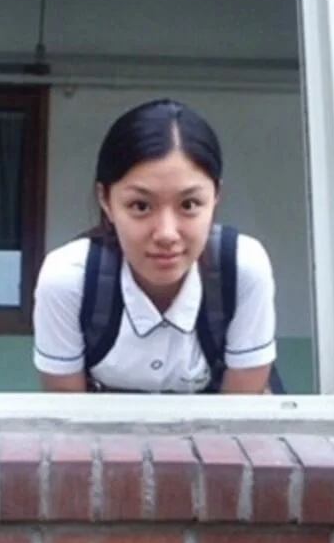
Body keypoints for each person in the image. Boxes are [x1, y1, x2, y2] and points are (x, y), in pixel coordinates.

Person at [32, 98, 279, 394]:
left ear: (215, 196)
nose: (166, 234)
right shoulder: (68, 280)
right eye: (140, 206)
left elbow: (239, 415)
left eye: (189, 204)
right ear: (105, 200)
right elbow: (69, 415)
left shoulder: (242, 269)